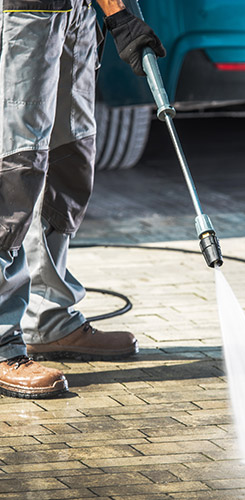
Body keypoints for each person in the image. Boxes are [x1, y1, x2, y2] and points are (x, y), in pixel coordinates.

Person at [0, 0, 165, 398]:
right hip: (22, 13)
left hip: (75, 13)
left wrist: (118, 11)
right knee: (15, 168)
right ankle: (2, 340)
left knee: (68, 161)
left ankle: (49, 318)